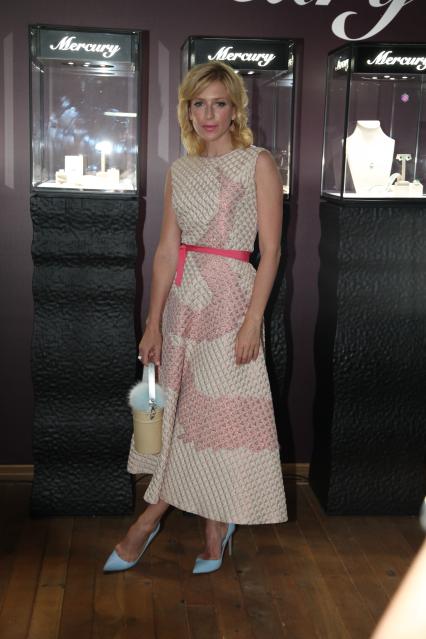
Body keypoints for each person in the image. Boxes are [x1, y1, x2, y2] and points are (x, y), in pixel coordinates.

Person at [104, 60, 287, 574]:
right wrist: (153, 321)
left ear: (235, 110)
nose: (208, 114)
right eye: (198, 104)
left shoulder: (258, 163)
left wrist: (253, 320)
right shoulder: (179, 171)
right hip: (184, 305)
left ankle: (147, 523)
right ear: (188, 111)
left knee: (214, 419)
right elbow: (167, 251)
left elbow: (271, 251)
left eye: (219, 103)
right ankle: (214, 524)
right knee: (184, 417)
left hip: (232, 306)